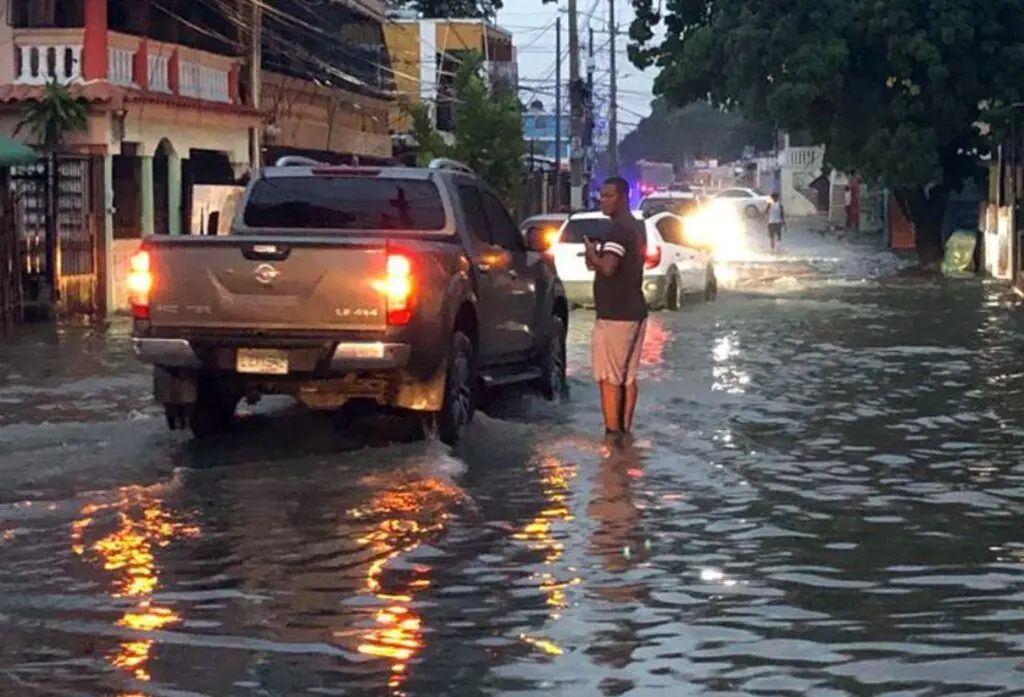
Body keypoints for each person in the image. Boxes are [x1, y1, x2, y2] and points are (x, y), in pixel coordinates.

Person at [584, 177, 648, 437]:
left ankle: (612, 436)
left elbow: (609, 267)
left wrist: (592, 255)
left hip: (616, 314)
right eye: (601, 195)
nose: (603, 200)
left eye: (609, 195)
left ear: (622, 197)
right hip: (635, 311)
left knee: (609, 379)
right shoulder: (635, 227)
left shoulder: (618, 230)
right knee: (627, 378)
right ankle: (625, 434)